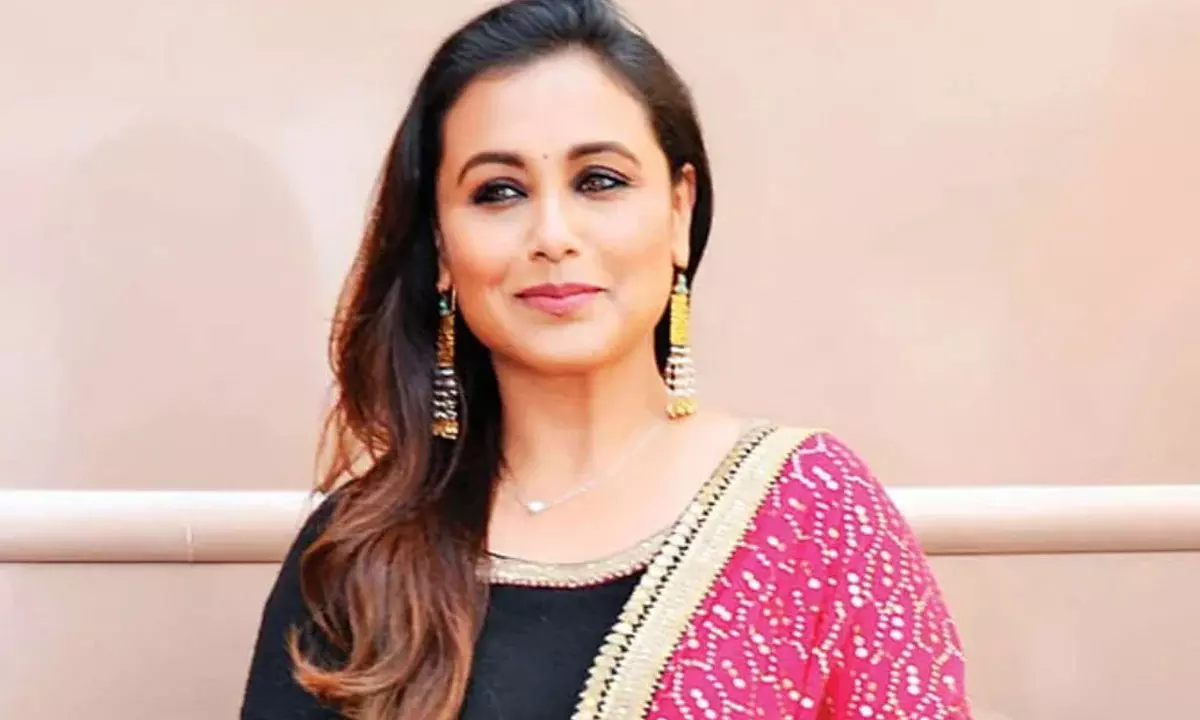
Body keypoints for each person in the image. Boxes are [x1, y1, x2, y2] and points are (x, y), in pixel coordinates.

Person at [240, 0, 972, 718]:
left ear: (680, 211)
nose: (552, 235)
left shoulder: (817, 514)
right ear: (440, 245)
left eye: (599, 181)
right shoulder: (360, 554)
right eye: (499, 192)